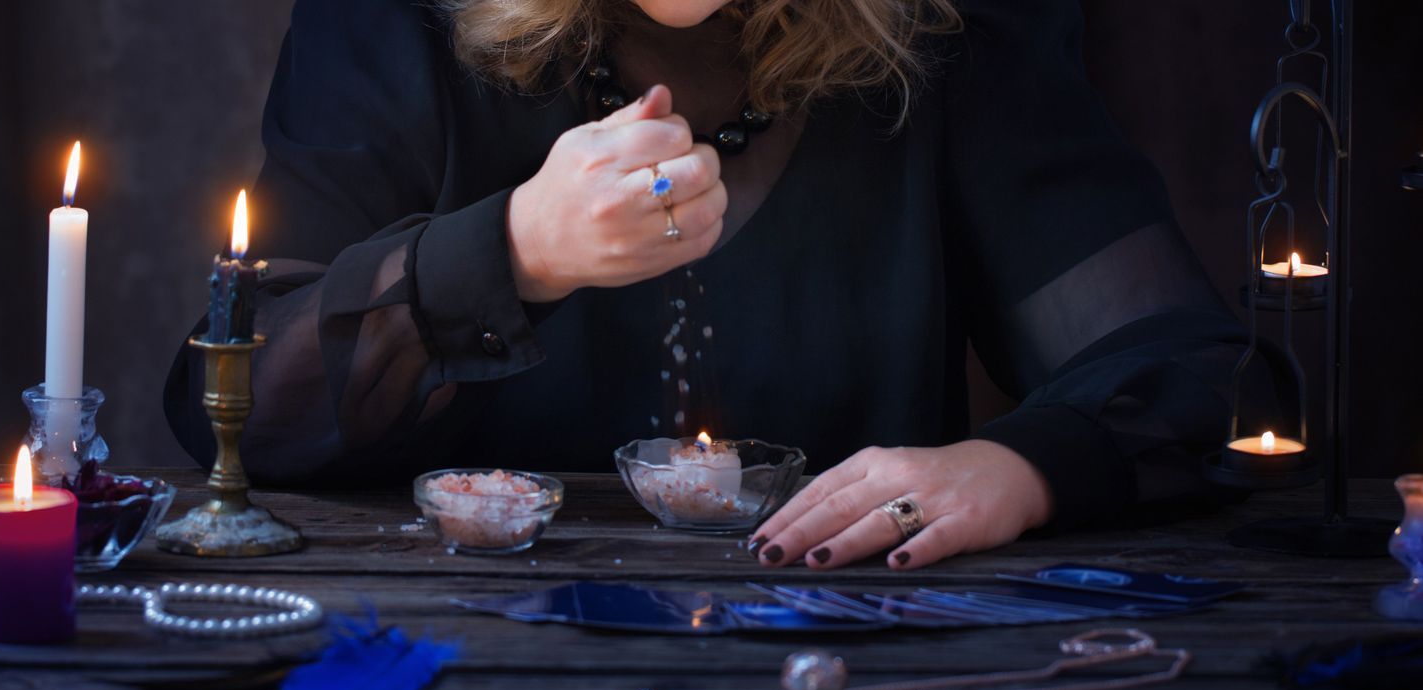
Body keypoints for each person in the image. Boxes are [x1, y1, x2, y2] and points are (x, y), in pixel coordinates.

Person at [166, 0, 1274, 571]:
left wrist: (1021, 467)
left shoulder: (953, 32)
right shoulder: (395, 22)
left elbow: (1194, 373)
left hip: (870, 673)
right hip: (446, 672)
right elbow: (241, 403)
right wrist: (508, 251)